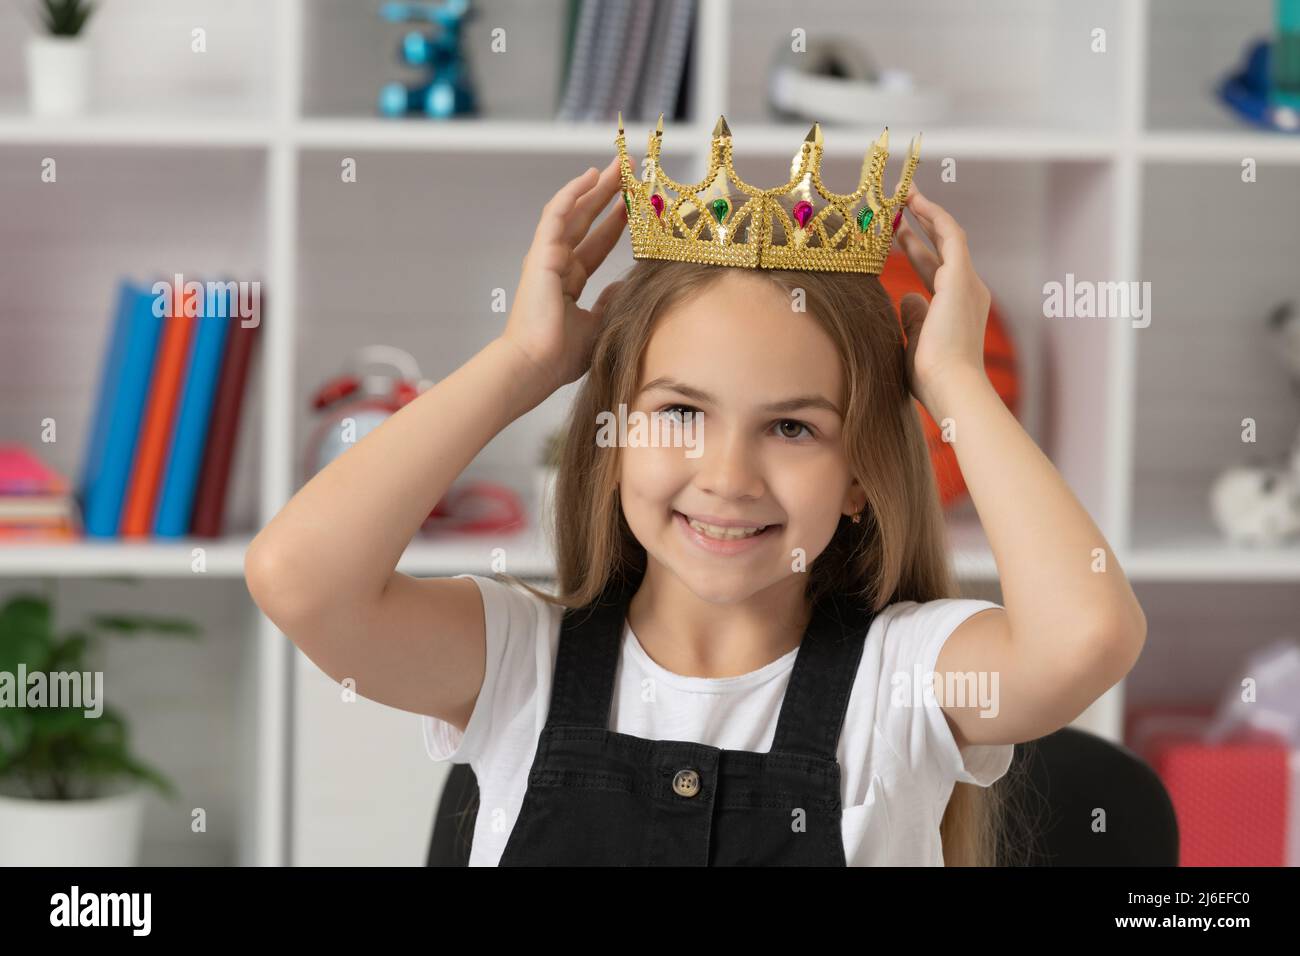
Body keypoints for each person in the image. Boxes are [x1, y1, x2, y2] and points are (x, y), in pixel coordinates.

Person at [245, 151, 1147, 866]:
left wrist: (952, 381)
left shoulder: (902, 682)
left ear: (862, 476)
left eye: (792, 428)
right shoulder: (518, 662)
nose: (727, 476)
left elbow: (1086, 637)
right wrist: (522, 362)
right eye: (680, 412)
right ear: (613, 436)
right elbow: (299, 578)